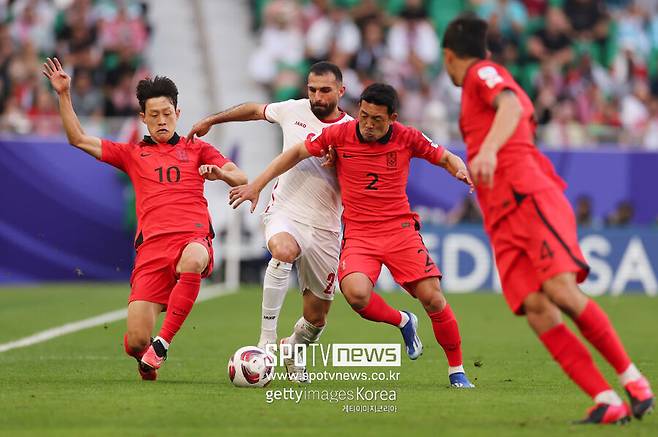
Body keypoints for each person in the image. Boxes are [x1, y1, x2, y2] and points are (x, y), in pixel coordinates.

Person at [441, 15, 654, 423]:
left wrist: (486, 150)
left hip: (526, 196)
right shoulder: (476, 82)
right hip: (500, 215)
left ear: (450, 56)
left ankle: (635, 381)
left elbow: (513, 104)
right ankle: (606, 401)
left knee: (560, 291)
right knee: (537, 307)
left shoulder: (482, 74)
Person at [229, 83, 476, 388]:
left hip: (400, 231)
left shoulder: (407, 136)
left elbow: (446, 156)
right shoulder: (340, 135)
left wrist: (460, 170)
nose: (369, 125)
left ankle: (457, 371)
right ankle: (403, 320)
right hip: (359, 235)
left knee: (433, 298)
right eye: (364, 116)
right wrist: (258, 184)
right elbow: (295, 152)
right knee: (356, 294)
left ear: (393, 118)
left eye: (377, 120)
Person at [42, 57, 247, 380]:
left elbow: (241, 177)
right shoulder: (133, 154)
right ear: (142, 118)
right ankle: (147, 355)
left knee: (194, 257)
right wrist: (64, 94)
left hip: (192, 239)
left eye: (167, 114)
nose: (162, 120)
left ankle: (162, 344)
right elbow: (78, 139)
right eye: (154, 115)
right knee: (136, 341)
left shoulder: (198, 149)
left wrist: (220, 173)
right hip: (151, 251)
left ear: (178, 114)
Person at [187, 61, 352, 382]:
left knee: (316, 319)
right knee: (282, 250)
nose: (317, 97)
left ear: (341, 91)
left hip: (326, 227)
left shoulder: (352, 130)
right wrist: (212, 119)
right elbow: (253, 109)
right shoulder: (294, 110)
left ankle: (293, 349)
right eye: (312, 89)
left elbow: (354, 185)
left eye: (325, 91)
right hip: (286, 212)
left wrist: (340, 163)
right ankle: (266, 340)